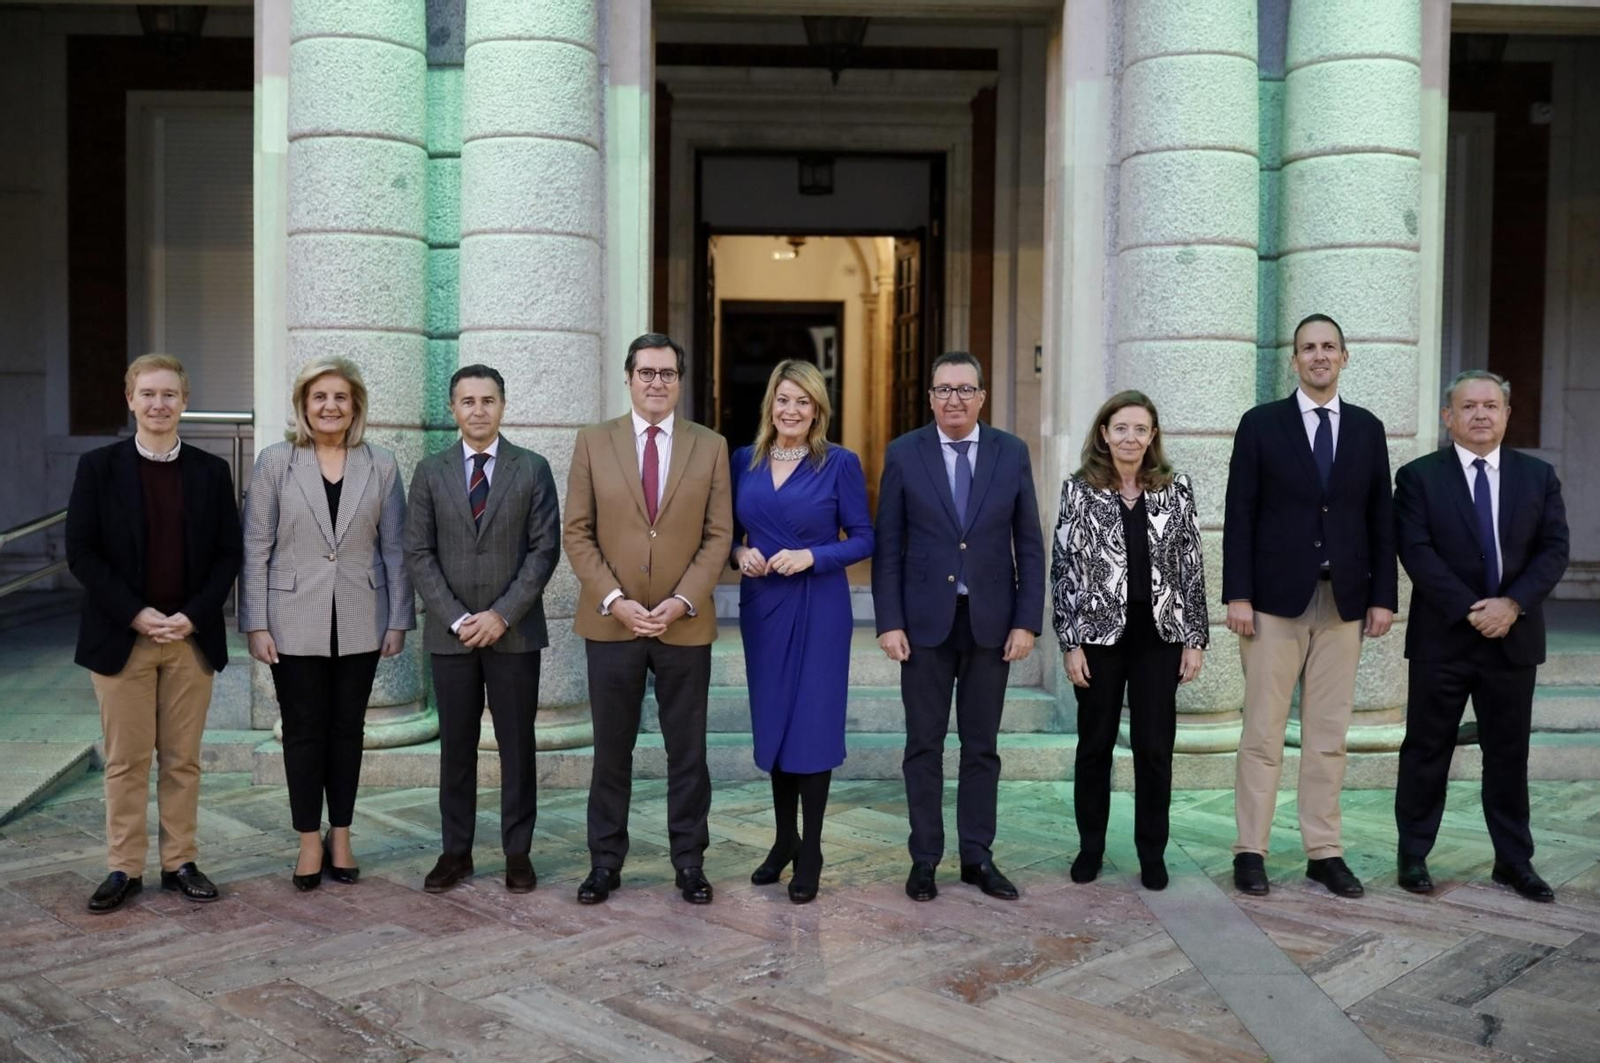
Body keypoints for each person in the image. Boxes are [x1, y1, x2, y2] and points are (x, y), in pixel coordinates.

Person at [1223, 313, 1397, 898]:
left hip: (1345, 602)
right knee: (1263, 732)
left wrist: (1383, 598)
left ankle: (1324, 851)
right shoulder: (1261, 425)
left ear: (1344, 357)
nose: (1319, 356)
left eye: (1328, 347)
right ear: (1293, 361)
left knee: (1328, 734)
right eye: (1307, 348)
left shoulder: (1369, 430)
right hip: (1273, 603)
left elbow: (1381, 519)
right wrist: (1238, 595)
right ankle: (1251, 850)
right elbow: (1240, 513)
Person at [66, 354, 242, 912]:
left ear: (184, 402)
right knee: (126, 760)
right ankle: (123, 868)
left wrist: (191, 614)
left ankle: (180, 862)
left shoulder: (212, 472)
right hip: (123, 637)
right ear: (130, 399)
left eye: (169, 394)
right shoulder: (98, 468)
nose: (158, 404)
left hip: (190, 638)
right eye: (148, 393)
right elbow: (82, 553)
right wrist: (135, 613)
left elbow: (227, 554)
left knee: (183, 758)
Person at [565, 333, 732, 906]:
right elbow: (577, 532)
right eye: (646, 372)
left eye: (667, 373)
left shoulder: (710, 446)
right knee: (612, 751)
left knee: (688, 753)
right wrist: (615, 598)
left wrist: (683, 599)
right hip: (613, 623)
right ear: (629, 378)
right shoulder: (593, 442)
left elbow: (718, 535)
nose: (656, 382)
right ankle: (605, 862)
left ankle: (689, 862)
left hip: (684, 624)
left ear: (680, 380)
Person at [873, 350, 1045, 902]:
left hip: (991, 624)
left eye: (965, 389)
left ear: (982, 396)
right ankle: (924, 859)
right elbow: (888, 549)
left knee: (981, 747)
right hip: (923, 627)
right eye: (944, 390)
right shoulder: (904, 454)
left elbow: (1031, 545)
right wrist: (889, 621)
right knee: (922, 746)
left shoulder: (1010, 453)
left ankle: (977, 857)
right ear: (930, 398)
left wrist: (1027, 622)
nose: (954, 399)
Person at [1392, 370, 1568, 902]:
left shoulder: (1538, 477)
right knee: (1427, 750)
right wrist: (1474, 610)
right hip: (1443, 638)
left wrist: (1511, 605)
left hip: (1512, 638)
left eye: (1491, 405)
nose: (1480, 414)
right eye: (1468, 406)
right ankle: (1414, 855)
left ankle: (1514, 862)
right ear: (1448, 417)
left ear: (1507, 415)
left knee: (1509, 755)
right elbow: (1416, 551)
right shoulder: (1419, 476)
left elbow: (1554, 550)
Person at [240, 358, 413, 890]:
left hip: (363, 617)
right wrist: (256, 622)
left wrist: (399, 618)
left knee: (347, 732)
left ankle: (341, 834)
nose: (330, 406)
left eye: (340, 397)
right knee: (302, 733)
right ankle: (308, 840)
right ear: (303, 404)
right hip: (291, 620)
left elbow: (395, 550)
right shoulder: (276, 463)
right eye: (319, 397)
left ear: (355, 405)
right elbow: (255, 546)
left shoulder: (381, 465)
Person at [403, 364, 561, 894]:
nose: (477, 410)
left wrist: (501, 615)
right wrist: (456, 616)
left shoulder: (533, 468)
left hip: (513, 633)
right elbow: (418, 551)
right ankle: (456, 852)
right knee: (457, 749)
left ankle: (518, 852)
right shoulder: (430, 472)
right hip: (451, 635)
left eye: (487, 400)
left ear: (502, 405)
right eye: (467, 401)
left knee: (518, 746)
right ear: (453, 409)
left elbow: (544, 550)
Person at [1050, 391, 1207, 891]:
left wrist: (1195, 638)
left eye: (1141, 429)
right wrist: (1070, 643)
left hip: (1160, 636)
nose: (1131, 438)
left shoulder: (1176, 489)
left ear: (1153, 436)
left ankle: (1152, 852)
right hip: (1098, 638)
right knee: (1094, 745)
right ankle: (1090, 847)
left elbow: (1192, 566)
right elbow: (1064, 571)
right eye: (1121, 428)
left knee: (1155, 748)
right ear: (1104, 434)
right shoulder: (1079, 491)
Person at [731, 360, 873, 904]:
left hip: (819, 607)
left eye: (803, 402)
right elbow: (724, 534)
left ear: (818, 409)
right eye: (783, 400)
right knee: (775, 724)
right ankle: (784, 838)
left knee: (811, 725)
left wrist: (812, 555)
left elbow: (863, 538)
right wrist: (741, 553)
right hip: (763, 606)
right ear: (771, 403)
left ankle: (810, 848)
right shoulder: (744, 459)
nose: (791, 411)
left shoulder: (839, 463)